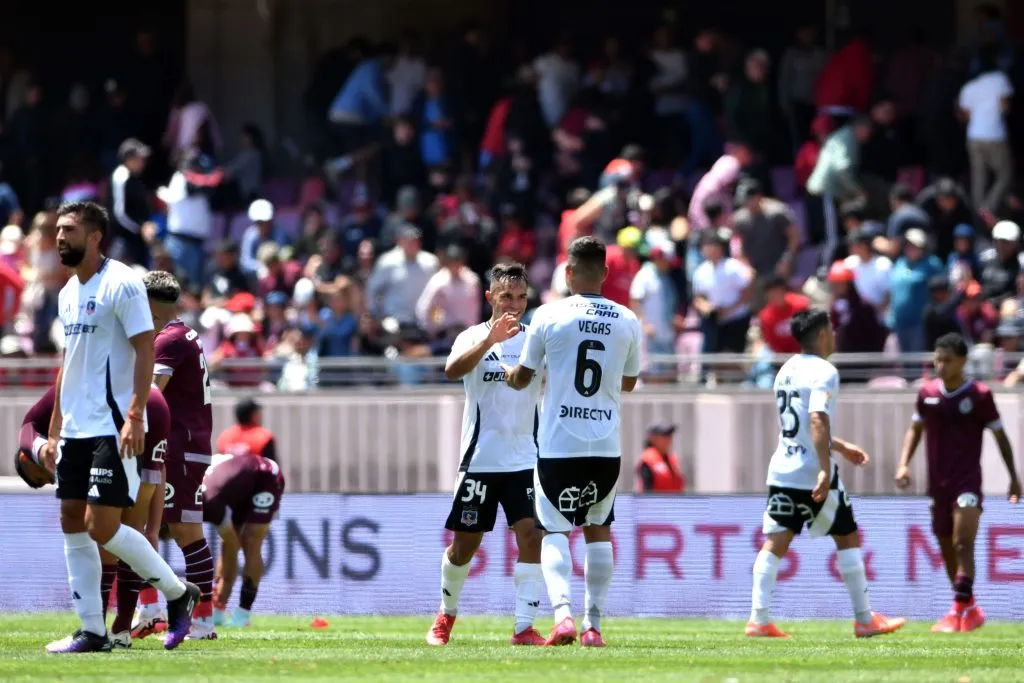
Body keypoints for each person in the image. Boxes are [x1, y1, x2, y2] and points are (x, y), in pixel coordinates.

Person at [41, 201, 199, 653]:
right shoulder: (68, 292)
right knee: (72, 518)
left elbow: (145, 349)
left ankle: (176, 591)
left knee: (102, 526)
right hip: (75, 427)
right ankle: (92, 630)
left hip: (113, 426)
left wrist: (134, 415)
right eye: (57, 229)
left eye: (69, 230)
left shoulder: (124, 283)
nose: (59, 237)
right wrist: (54, 431)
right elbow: (67, 363)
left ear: (95, 237)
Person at [501, 236, 642, 647]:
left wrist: (510, 372)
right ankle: (593, 626)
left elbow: (524, 376)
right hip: (606, 444)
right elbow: (630, 383)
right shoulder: (626, 319)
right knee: (598, 527)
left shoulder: (549, 314)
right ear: (605, 273)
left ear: (568, 272)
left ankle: (562, 616)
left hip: (560, 442)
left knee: (554, 531)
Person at [748, 309, 905, 639]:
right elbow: (817, 420)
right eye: (831, 330)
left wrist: (841, 446)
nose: (834, 335)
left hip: (782, 469)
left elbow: (802, 427)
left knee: (775, 541)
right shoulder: (825, 371)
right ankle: (865, 619)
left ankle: (758, 620)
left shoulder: (785, 370)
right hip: (811, 471)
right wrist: (824, 468)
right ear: (821, 334)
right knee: (847, 536)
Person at [425, 262, 545, 647]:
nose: (514, 303)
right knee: (465, 547)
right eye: (507, 296)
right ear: (490, 297)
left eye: (521, 297)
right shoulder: (472, 336)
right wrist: (490, 341)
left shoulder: (535, 340)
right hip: (479, 459)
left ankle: (523, 627)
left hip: (525, 459)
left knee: (531, 535)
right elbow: (451, 370)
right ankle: (445, 615)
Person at [15, 385, 170, 650]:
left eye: (44, 476)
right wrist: (154, 525)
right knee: (129, 528)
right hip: (151, 402)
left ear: (26, 460)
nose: (53, 477)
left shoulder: (44, 421)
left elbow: (26, 434)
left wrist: (43, 451)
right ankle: (121, 630)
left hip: (130, 409)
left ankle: (99, 627)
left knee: (104, 531)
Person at [895, 332, 1020, 633]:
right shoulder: (926, 394)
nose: (941, 366)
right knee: (946, 545)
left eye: (947, 360)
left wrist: (1014, 478)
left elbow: (1000, 436)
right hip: (937, 484)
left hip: (967, 482)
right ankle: (968, 608)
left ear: (963, 361)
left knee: (963, 543)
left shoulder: (978, 395)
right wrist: (903, 463)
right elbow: (915, 429)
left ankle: (956, 611)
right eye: (937, 359)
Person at [126, 271, 217, 641]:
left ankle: (188, 619)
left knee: (181, 532)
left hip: (177, 447)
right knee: (150, 526)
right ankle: (153, 610)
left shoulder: (167, 340)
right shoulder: (184, 335)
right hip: (186, 445)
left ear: (147, 304)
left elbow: (151, 394)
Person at [200, 452, 286, 627]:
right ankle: (218, 610)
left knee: (250, 541)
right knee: (228, 544)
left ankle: (243, 613)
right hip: (238, 486)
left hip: (265, 477)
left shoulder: (209, 503)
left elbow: (233, 542)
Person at [635, 423, 685, 493]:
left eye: (669, 435)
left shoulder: (672, 459)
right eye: (664, 435)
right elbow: (646, 491)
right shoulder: (647, 460)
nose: (669, 439)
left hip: (675, 502)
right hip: (656, 503)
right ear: (653, 438)